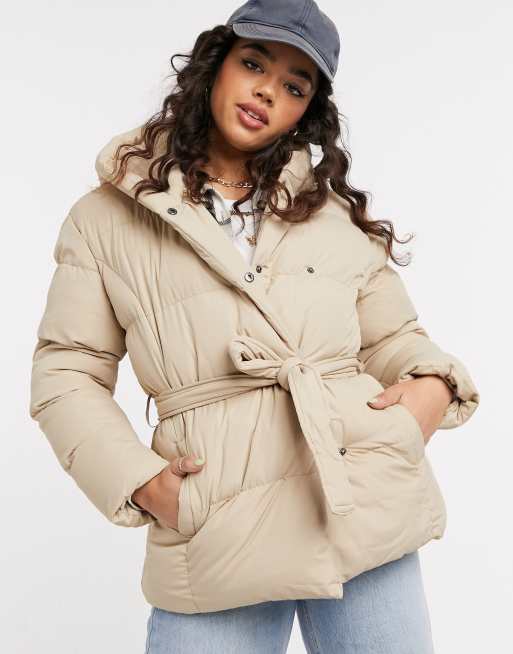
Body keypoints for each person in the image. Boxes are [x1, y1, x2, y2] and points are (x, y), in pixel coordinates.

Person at [29, 1, 480, 652]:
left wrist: (432, 387)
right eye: (253, 64)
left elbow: (391, 338)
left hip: (358, 501)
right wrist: (140, 482)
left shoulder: (328, 213)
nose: (268, 91)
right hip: (217, 528)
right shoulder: (105, 218)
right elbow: (66, 372)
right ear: (215, 65)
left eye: (295, 86)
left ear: (308, 111)